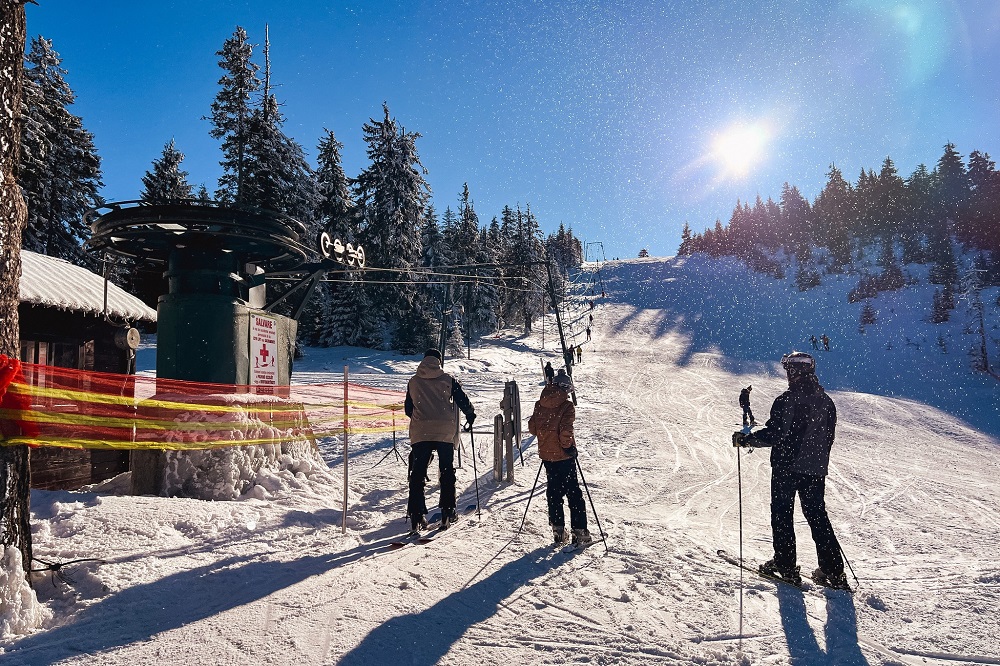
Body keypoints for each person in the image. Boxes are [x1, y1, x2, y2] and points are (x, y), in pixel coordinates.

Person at [732, 352, 848, 589]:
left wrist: (747, 440)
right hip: (815, 469)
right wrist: (816, 461)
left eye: (788, 371)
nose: (787, 375)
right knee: (817, 516)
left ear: (794, 373)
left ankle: (786, 566)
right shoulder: (826, 402)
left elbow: (775, 433)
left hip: (787, 467)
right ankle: (833, 570)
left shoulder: (787, 400)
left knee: (783, 514)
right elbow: (829, 438)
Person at [404, 348, 476, 532]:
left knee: (418, 473)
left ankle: (416, 514)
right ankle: (447, 511)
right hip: (444, 430)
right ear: (439, 361)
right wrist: (470, 414)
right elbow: (462, 400)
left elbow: (408, 409)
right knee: (446, 471)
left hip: (421, 432)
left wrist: (423, 416)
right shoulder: (448, 380)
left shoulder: (413, 381)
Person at [528, 371, 592, 547]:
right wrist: (568, 447)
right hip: (563, 456)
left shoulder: (540, 404)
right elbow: (565, 431)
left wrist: (547, 436)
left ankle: (558, 530)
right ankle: (580, 532)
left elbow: (532, 428)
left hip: (547, 456)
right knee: (573, 493)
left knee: (554, 492)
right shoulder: (566, 406)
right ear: (565, 388)